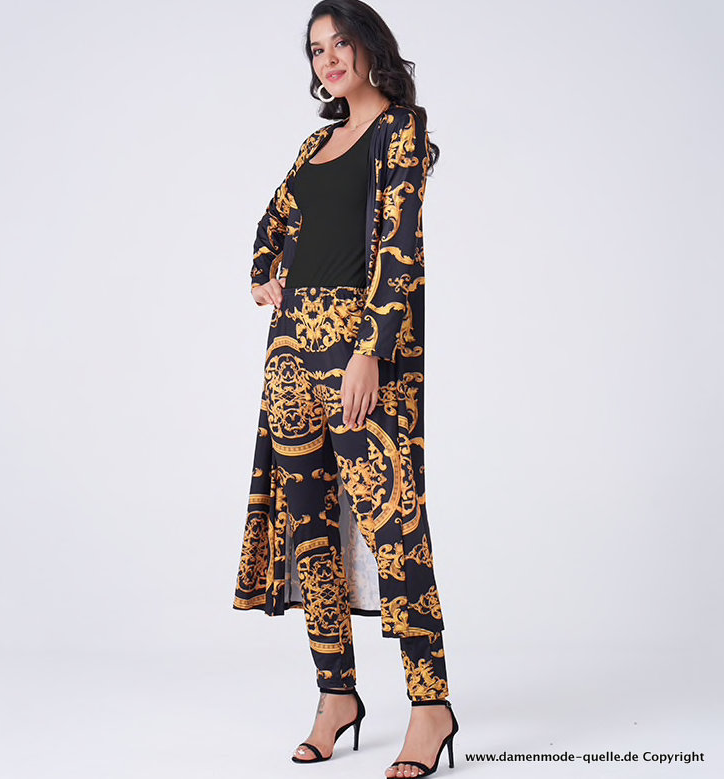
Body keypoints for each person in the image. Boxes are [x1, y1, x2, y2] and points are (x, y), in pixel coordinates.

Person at [232, 1, 459, 776]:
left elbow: (400, 249)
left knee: (393, 523)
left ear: (369, 47)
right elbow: (269, 227)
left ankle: (430, 706)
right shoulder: (313, 143)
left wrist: (371, 351)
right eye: (315, 49)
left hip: (360, 351)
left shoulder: (402, 131)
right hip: (290, 355)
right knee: (309, 530)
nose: (327, 59)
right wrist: (263, 278)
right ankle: (336, 697)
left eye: (339, 43)